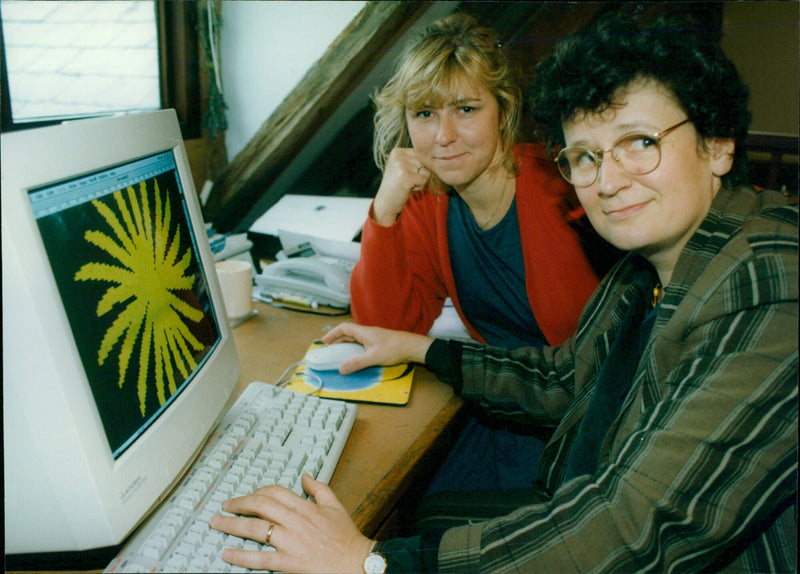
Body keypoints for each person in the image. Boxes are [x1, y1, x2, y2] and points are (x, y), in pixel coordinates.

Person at [211, 10, 798, 573]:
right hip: (581, 481)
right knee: (414, 514)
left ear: (717, 145)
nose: (611, 180)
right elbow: (566, 379)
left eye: (641, 142)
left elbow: (635, 529)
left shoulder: (768, 285)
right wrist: (421, 348)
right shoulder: (644, 268)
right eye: (588, 156)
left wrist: (369, 563)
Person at [350, 12, 619, 495]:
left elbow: (597, 366)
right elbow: (386, 329)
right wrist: (384, 211)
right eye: (424, 114)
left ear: (504, 109)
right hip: (494, 401)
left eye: (466, 109)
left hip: (579, 417)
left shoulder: (563, 187)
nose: (443, 136)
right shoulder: (427, 200)